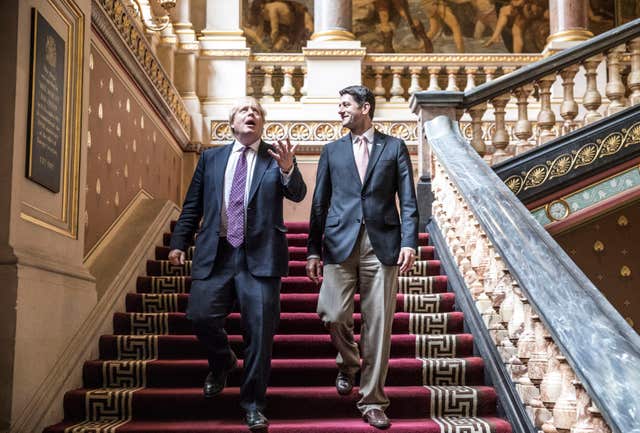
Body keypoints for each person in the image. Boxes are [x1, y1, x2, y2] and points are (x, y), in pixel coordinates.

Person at [168, 97, 306, 431]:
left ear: (262, 122)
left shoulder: (276, 157)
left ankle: (254, 404)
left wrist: (288, 169)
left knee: (259, 334)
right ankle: (223, 360)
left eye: (257, 112)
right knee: (200, 316)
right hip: (217, 253)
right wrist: (178, 242)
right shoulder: (211, 158)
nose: (251, 115)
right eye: (245, 111)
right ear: (232, 122)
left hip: (260, 256)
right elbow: (192, 205)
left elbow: (299, 193)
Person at [306, 85, 418, 429]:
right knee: (332, 313)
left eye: (345, 105)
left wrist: (409, 242)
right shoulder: (332, 151)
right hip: (340, 243)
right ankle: (349, 362)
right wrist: (313, 249)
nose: (339, 111)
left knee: (379, 324)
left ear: (365, 108)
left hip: (382, 244)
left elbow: (409, 200)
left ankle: (372, 400)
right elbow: (320, 203)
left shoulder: (395, 147)